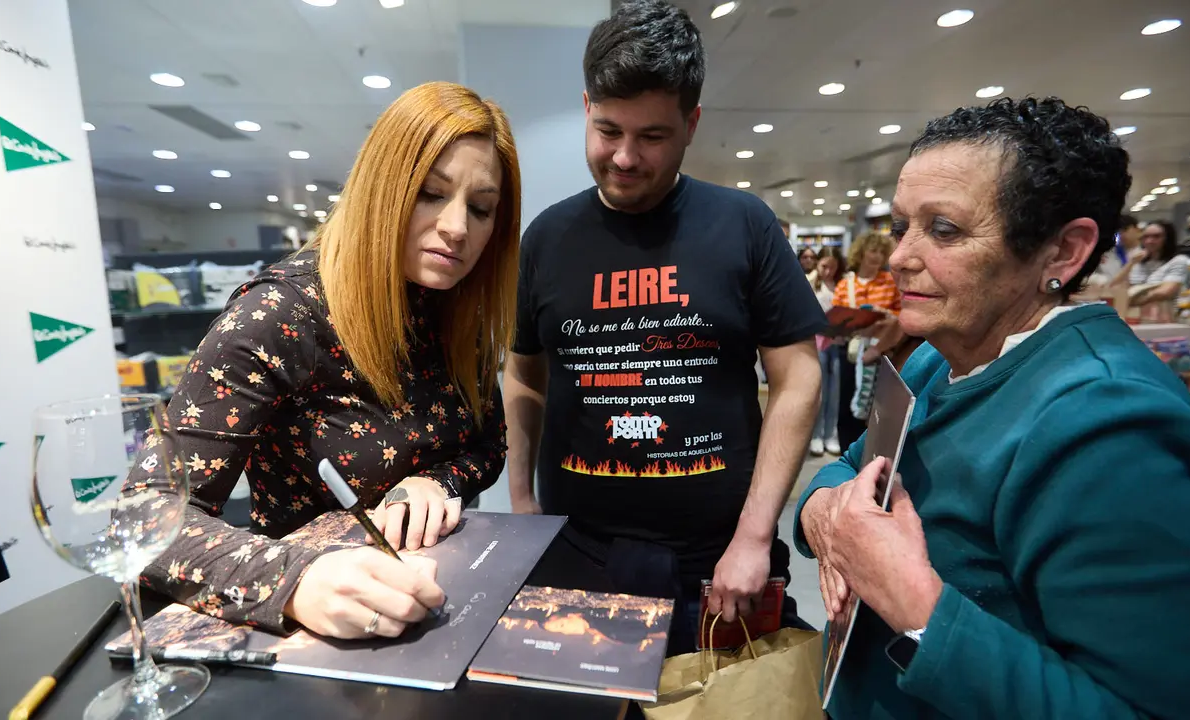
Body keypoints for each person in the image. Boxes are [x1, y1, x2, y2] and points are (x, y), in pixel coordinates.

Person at [795, 96, 1190, 719]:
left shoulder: (1109, 425)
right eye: (902, 226)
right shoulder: (937, 354)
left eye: (945, 230)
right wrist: (826, 517)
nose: (901, 256)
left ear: (1063, 252)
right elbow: (849, 466)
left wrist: (913, 603)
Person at [139, 81, 522, 641]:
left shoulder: (457, 307)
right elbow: (148, 517)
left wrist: (436, 482)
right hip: (313, 634)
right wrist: (295, 580)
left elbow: (487, 445)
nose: (458, 227)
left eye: (481, 208)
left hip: (440, 600)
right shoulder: (280, 314)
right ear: (381, 190)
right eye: (430, 194)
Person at [505, 0, 825, 657]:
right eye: (607, 130)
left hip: (717, 564)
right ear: (587, 107)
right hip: (577, 554)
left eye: (652, 136)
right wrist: (520, 501)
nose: (625, 156)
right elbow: (524, 372)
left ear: (691, 124)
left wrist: (755, 535)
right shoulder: (546, 238)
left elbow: (798, 377)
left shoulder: (744, 225)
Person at [832, 232, 904, 448]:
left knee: (876, 405)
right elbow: (835, 320)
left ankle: (869, 449)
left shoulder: (890, 282)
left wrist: (885, 316)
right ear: (861, 252)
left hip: (882, 351)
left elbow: (902, 315)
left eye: (882, 252)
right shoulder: (845, 284)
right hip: (851, 350)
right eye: (873, 250)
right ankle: (847, 450)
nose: (877, 256)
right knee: (847, 402)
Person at [1116, 220, 1190, 320]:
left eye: (1156, 236)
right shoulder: (1137, 261)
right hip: (1133, 317)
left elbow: (1165, 291)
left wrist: (1133, 300)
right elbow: (1119, 287)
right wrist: (1131, 263)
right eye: (1146, 237)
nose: (1149, 241)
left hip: (1162, 318)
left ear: (1167, 239)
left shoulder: (1178, 261)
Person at [810, 247, 845, 456]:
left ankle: (831, 434)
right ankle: (816, 434)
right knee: (820, 391)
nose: (828, 271)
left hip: (838, 342)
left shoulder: (842, 284)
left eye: (833, 267)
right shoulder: (810, 282)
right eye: (824, 266)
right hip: (817, 342)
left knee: (835, 392)